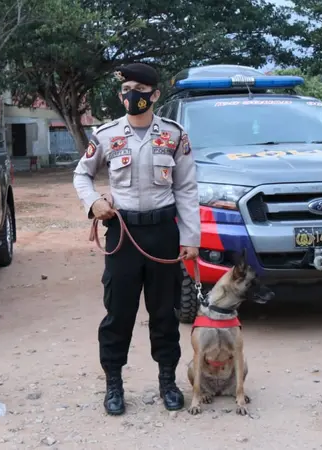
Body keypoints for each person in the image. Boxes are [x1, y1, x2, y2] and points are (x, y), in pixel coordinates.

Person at [72, 63, 200, 415]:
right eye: (127, 88)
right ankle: (114, 384)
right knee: (119, 313)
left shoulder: (174, 136)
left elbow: (187, 189)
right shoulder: (106, 135)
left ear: (155, 95)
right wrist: (94, 202)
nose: (133, 95)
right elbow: (81, 175)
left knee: (165, 313)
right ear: (120, 94)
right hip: (122, 235)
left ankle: (167, 382)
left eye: (141, 90)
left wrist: (190, 237)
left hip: (163, 233)